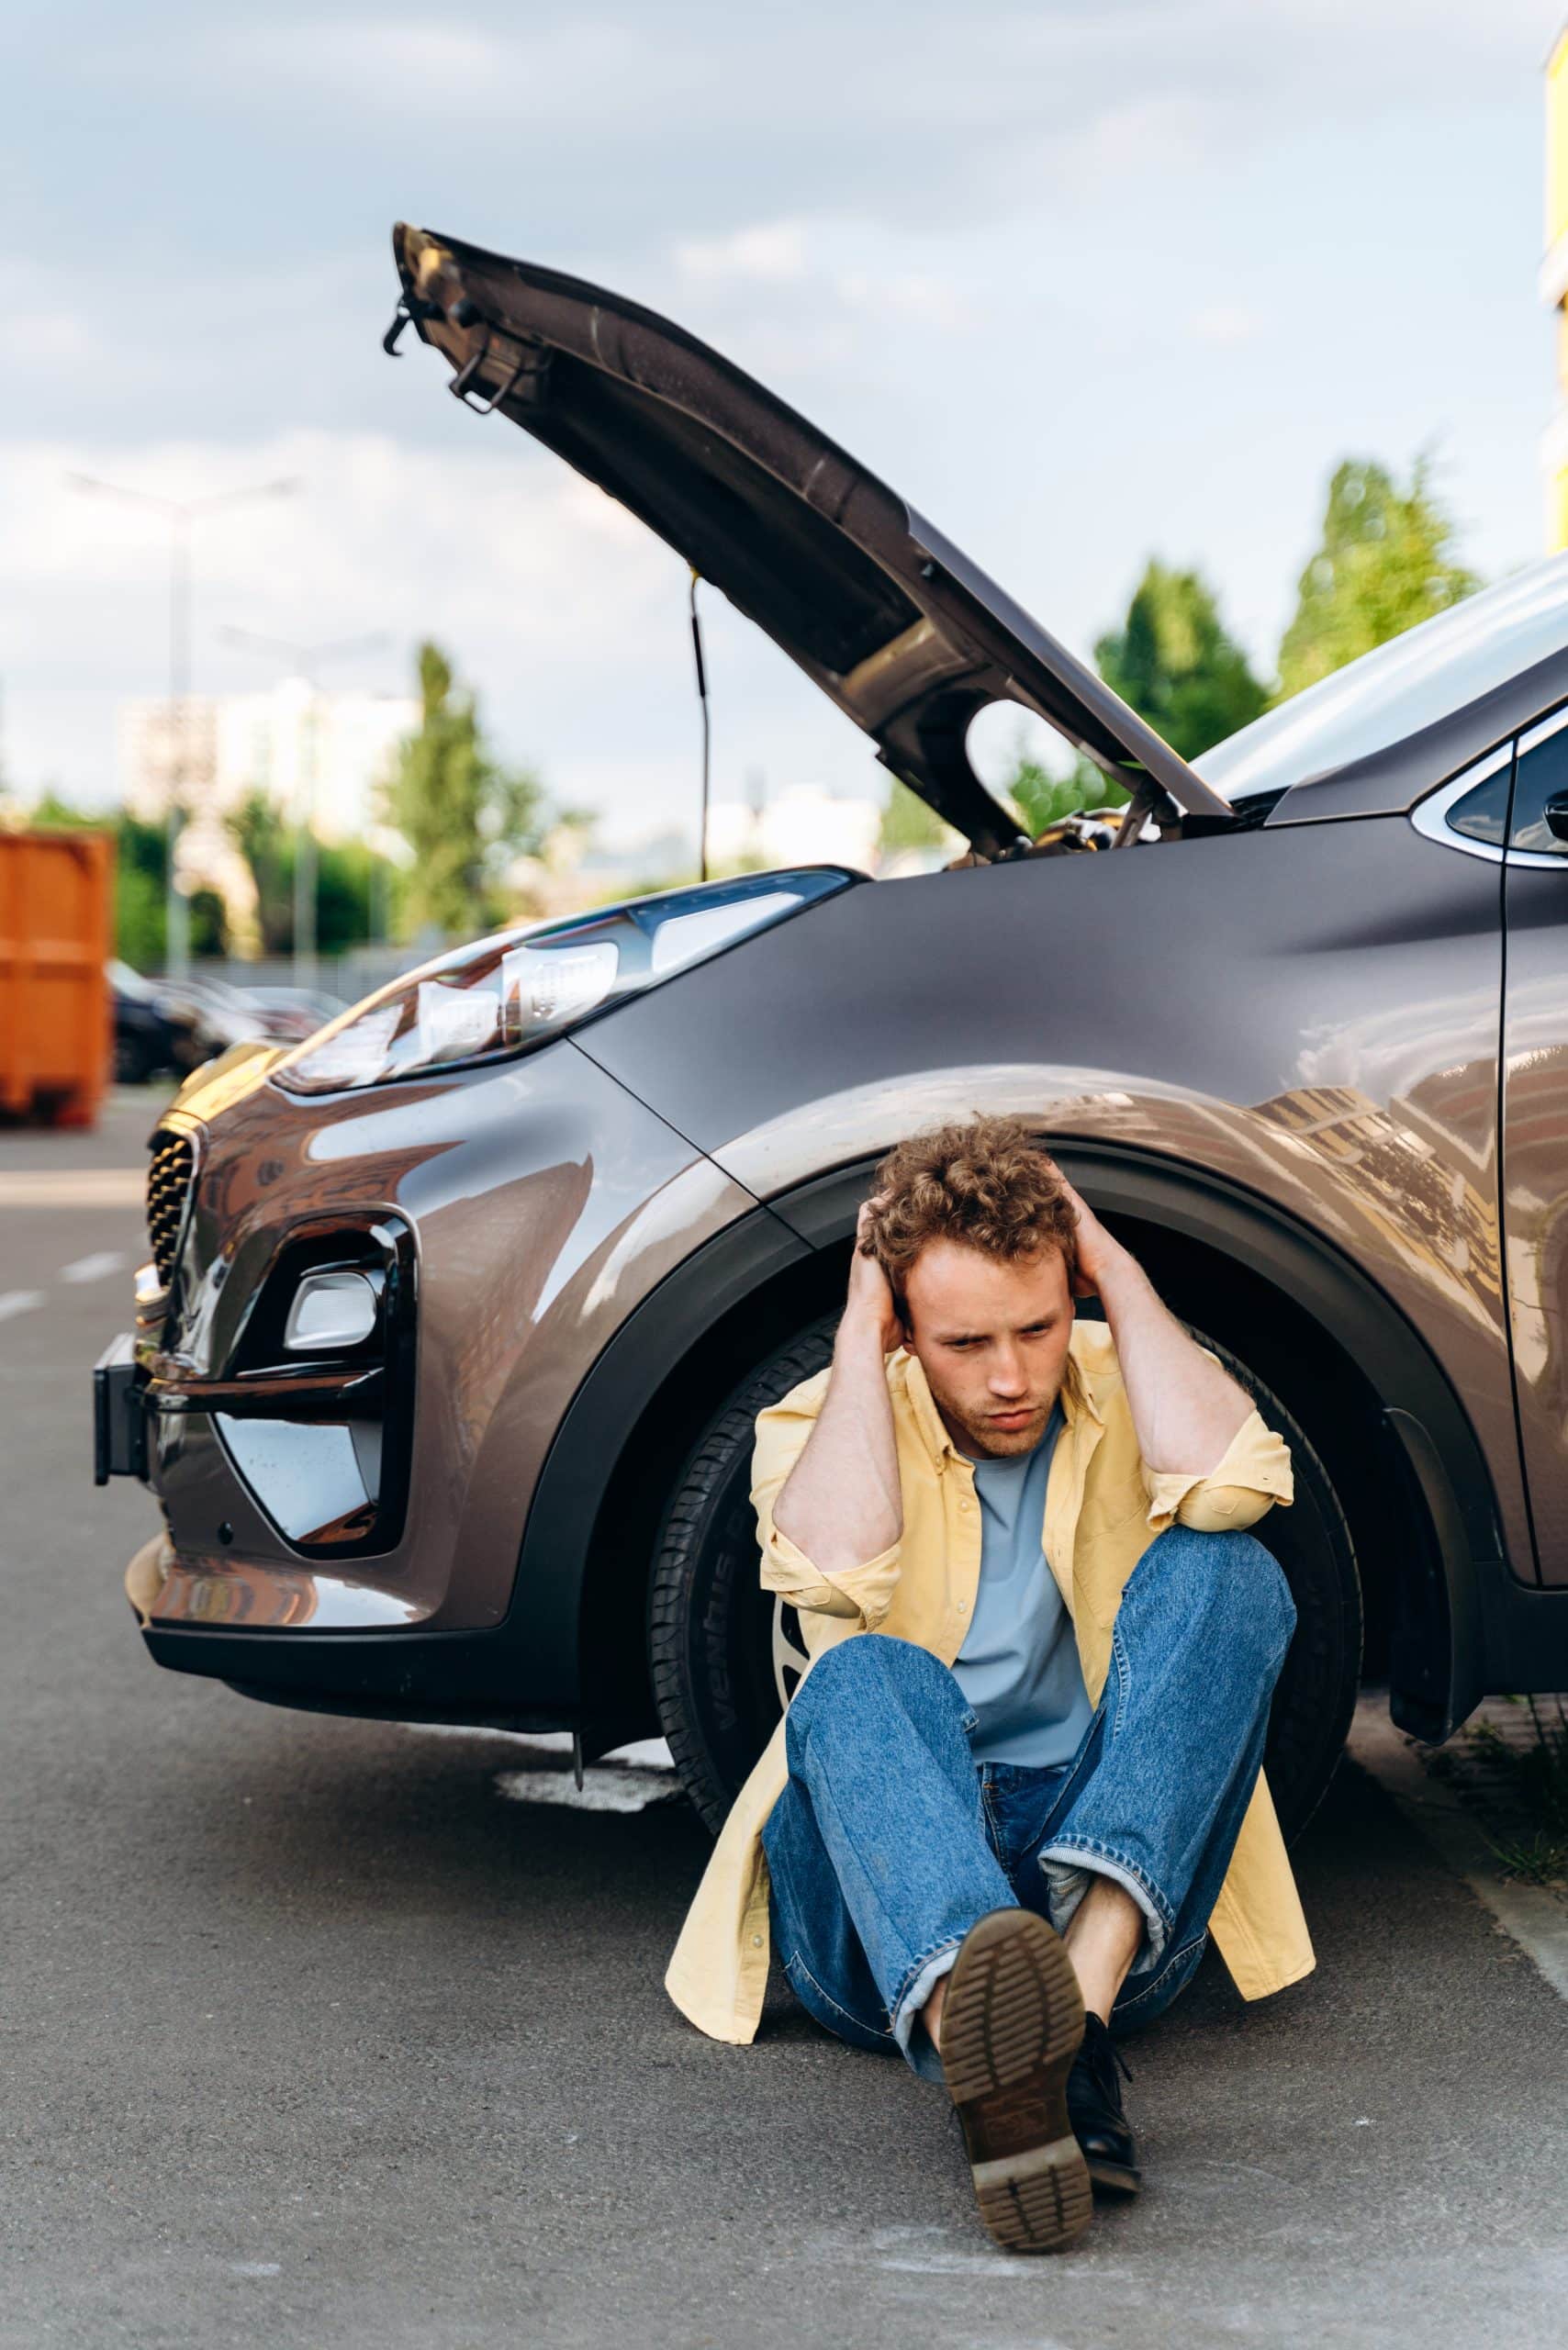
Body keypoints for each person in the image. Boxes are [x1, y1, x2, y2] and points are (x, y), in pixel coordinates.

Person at [664, 1115, 1310, 2254]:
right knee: (861, 1672)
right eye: (965, 1342)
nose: (1010, 1377)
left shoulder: (1124, 1377)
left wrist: (1108, 1258)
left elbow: (1237, 1484)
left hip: (1105, 1886)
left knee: (1230, 1572)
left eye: (1039, 1327)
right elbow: (827, 1572)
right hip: (886, 1905)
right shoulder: (827, 1412)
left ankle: (1067, 2028)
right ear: (909, 1329)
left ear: (1075, 1304)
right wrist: (863, 1329)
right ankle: (984, 2021)